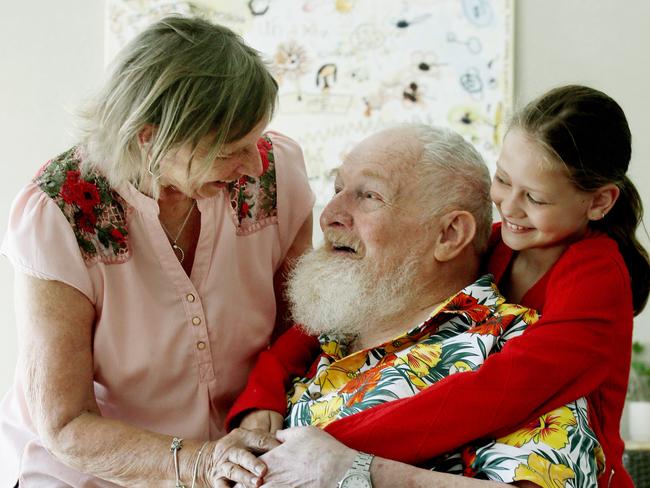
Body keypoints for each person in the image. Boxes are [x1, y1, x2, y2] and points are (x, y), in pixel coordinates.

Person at [229, 86, 649, 487]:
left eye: (370, 196)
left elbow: (500, 393)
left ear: (599, 203)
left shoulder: (594, 282)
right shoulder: (495, 242)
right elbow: (304, 336)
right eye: (501, 180)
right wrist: (261, 393)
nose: (508, 206)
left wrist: (337, 448)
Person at [0, 15, 314, 487]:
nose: (253, 164)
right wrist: (198, 463)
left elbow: (301, 333)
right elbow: (65, 424)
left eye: (257, 139)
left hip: (239, 454)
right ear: (150, 138)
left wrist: (263, 399)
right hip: (92, 469)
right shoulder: (60, 213)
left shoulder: (275, 174)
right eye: (231, 148)